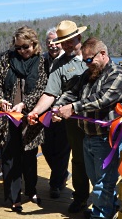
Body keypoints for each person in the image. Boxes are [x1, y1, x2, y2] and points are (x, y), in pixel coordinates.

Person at [53, 37, 122, 219]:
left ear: (103, 54)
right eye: (84, 60)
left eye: (90, 59)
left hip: (107, 139)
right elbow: (71, 93)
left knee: (104, 182)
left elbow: (102, 99)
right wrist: (57, 108)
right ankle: (109, 207)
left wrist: (73, 108)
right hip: (87, 137)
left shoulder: (117, 74)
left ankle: (100, 214)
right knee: (97, 180)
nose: (87, 64)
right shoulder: (88, 75)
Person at [28, 20, 90, 213]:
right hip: (70, 121)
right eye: (63, 42)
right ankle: (79, 198)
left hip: (97, 121)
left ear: (78, 37)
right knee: (78, 161)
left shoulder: (94, 53)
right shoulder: (59, 65)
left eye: (69, 41)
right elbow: (49, 93)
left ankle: (104, 203)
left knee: (98, 162)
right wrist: (36, 111)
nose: (66, 45)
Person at [0, 26, 48, 213]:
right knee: (8, 157)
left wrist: (24, 104)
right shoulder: (6, 58)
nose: (21, 51)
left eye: (25, 47)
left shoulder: (41, 61)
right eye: (18, 47)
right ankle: (13, 197)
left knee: (29, 157)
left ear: (34, 44)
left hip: (29, 118)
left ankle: (31, 190)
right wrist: (0, 99)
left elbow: (41, 89)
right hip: (6, 119)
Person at [41, 27, 71, 199]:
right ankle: (62, 173)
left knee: (62, 148)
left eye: (56, 41)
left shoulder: (69, 61)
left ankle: (55, 185)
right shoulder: (41, 60)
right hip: (44, 111)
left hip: (62, 111)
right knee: (45, 147)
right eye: (49, 42)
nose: (52, 45)